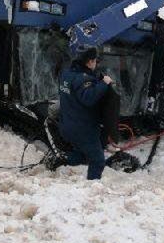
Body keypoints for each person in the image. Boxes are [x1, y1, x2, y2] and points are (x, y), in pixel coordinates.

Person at [47, 46, 114, 180]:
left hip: (67, 125)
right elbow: (88, 98)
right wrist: (103, 83)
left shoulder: (66, 74)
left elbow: (75, 92)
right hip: (83, 130)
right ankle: (92, 188)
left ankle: (62, 160)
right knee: (98, 160)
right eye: (95, 61)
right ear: (89, 62)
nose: (96, 63)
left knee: (81, 153)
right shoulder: (84, 79)